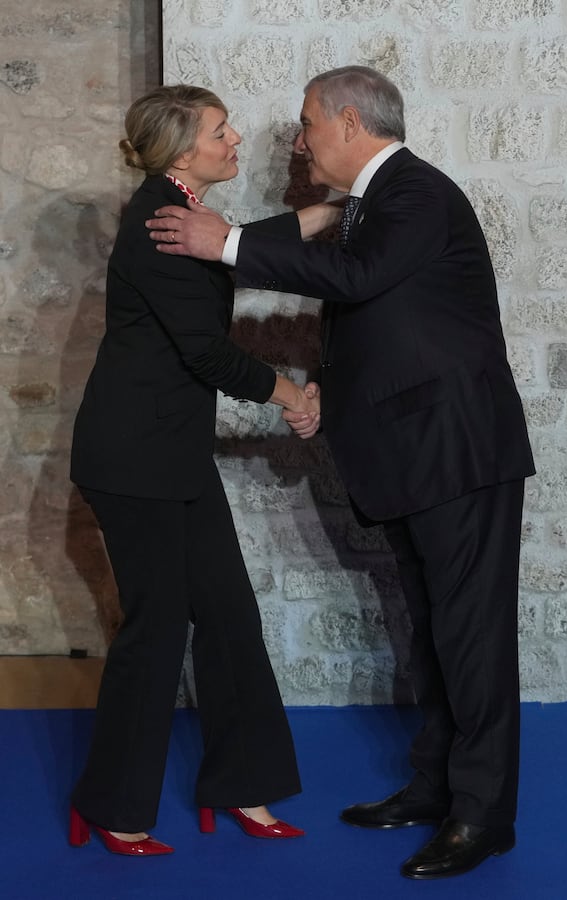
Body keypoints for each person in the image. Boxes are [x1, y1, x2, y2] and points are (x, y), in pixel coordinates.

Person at [145, 66, 536, 880]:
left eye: (307, 124)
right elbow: (368, 308)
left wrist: (231, 244)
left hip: (457, 453)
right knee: (433, 637)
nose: (299, 141)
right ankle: (436, 787)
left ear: (351, 122)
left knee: (473, 640)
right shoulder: (372, 203)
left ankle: (483, 817)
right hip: (415, 452)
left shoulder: (418, 194)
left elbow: (356, 279)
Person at [68, 84, 338, 857]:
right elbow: (206, 351)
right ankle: (112, 805)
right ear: (186, 151)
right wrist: (290, 394)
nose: (236, 137)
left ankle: (242, 785)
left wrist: (322, 217)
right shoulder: (158, 219)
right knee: (158, 630)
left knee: (226, 614)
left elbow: (229, 241)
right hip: (131, 458)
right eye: (222, 130)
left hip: (171, 453)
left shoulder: (178, 204)